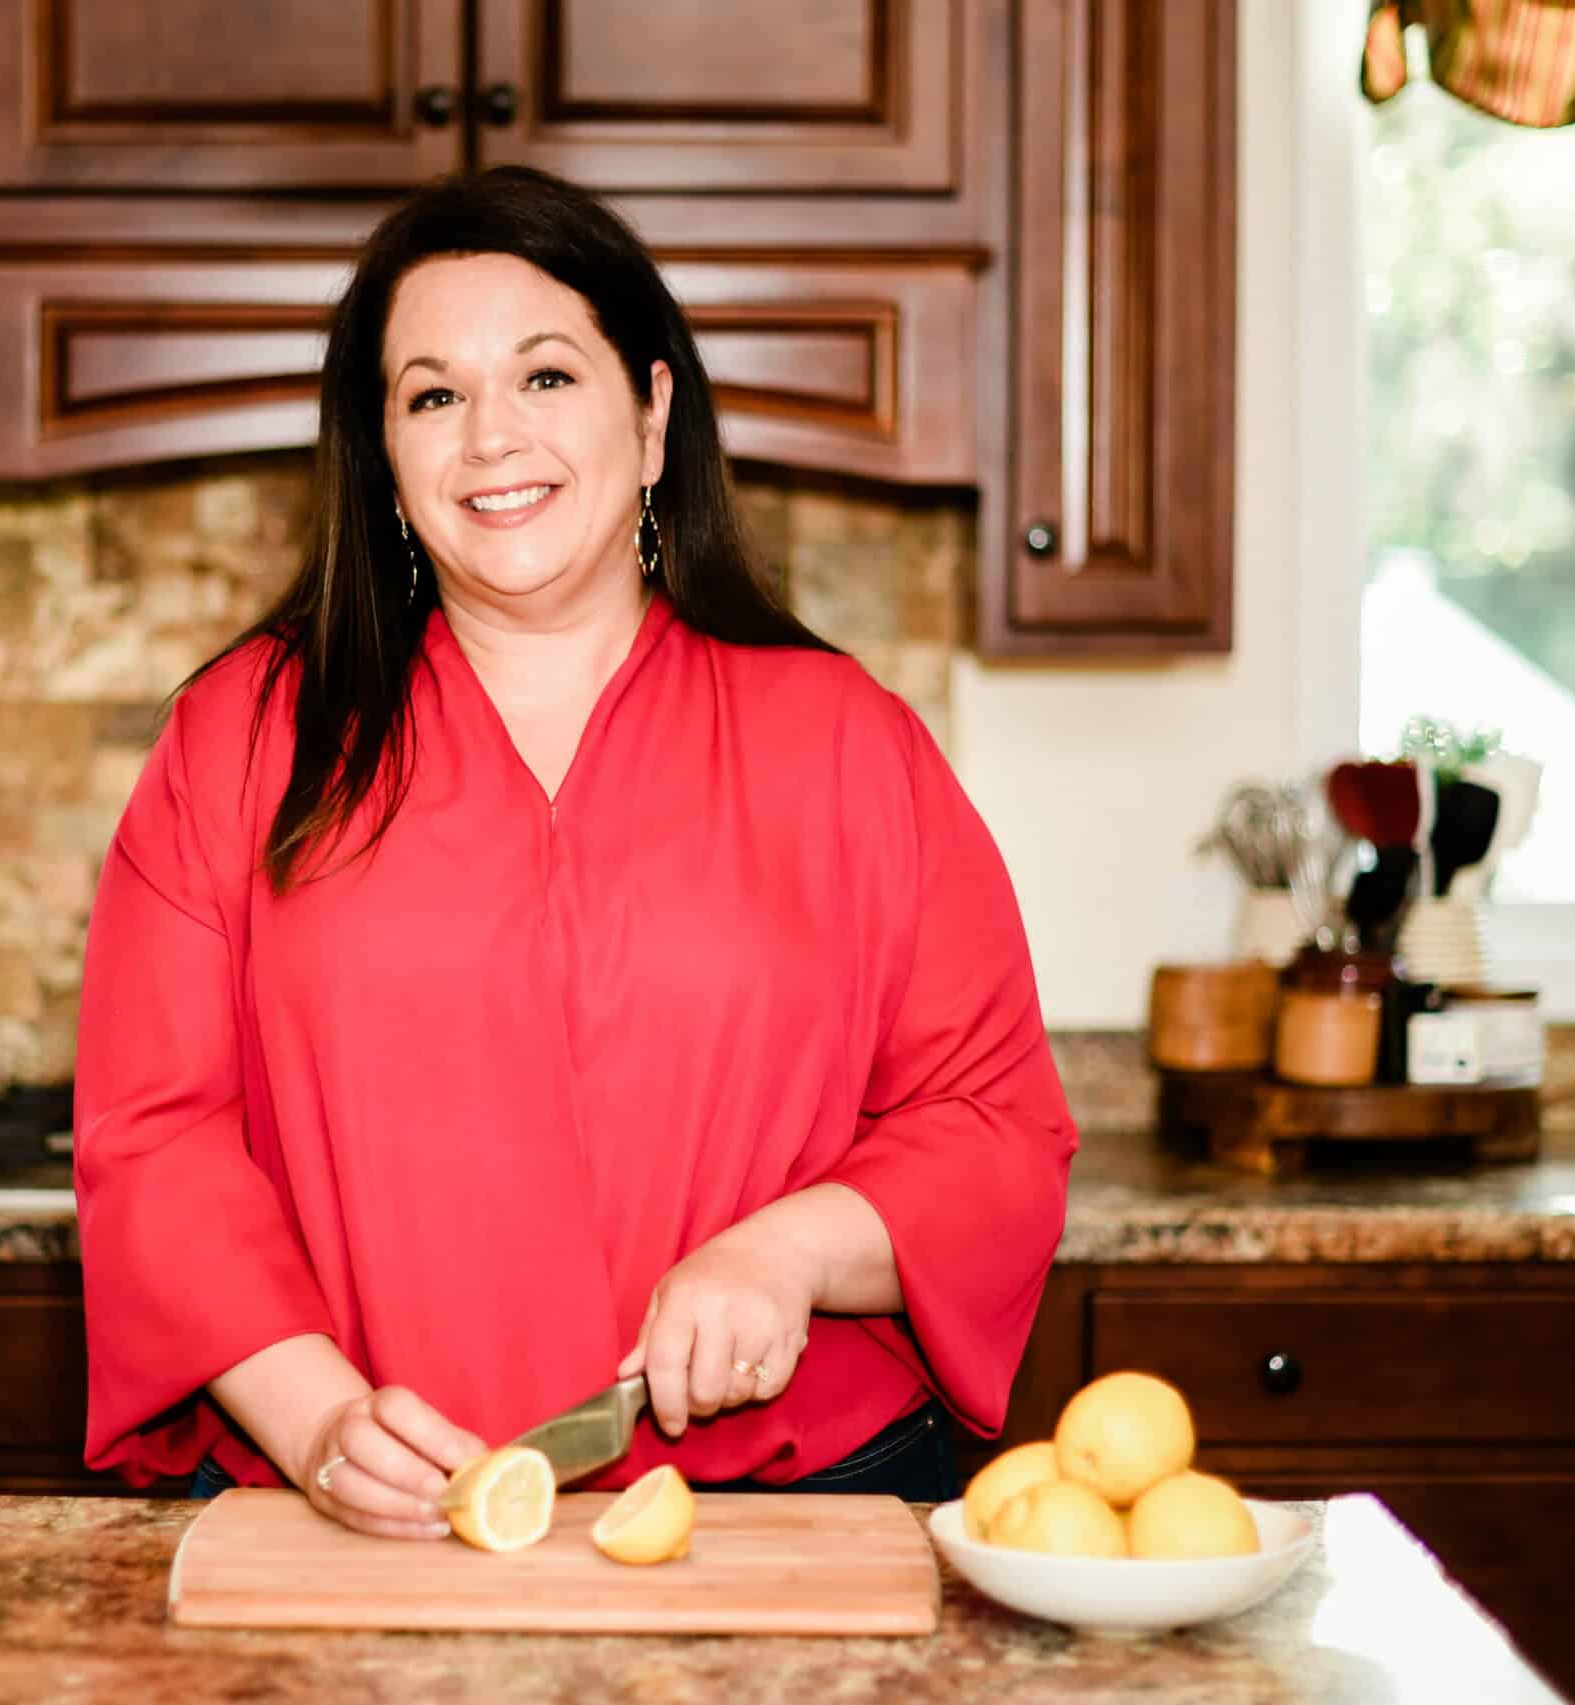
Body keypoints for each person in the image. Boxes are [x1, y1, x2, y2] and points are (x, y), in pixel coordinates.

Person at [75, 165, 1075, 1540]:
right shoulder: (237, 743)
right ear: (384, 458)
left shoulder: (850, 743)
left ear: (653, 418)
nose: (491, 436)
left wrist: (790, 1250)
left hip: (788, 1515)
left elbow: (995, 1126)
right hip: (358, 1524)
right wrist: (315, 1421)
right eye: (433, 395)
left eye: (545, 377)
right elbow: (155, 1146)